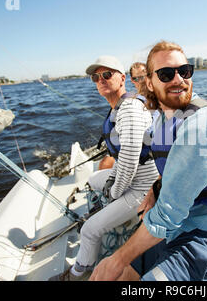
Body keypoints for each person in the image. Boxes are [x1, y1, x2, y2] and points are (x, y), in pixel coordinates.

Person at [89, 41, 207, 281]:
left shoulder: (202, 126)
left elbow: (168, 214)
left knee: (121, 269)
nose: (178, 79)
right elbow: (169, 169)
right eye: (166, 74)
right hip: (173, 231)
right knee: (122, 276)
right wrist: (154, 189)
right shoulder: (165, 119)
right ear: (150, 82)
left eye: (184, 71)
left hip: (203, 239)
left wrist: (117, 259)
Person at [49, 55, 159, 280]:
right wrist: (110, 184)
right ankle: (106, 214)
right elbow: (123, 162)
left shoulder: (128, 109)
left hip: (143, 187)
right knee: (93, 180)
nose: (101, 80)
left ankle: (80, 271)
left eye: (107, 74)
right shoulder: (117, 108)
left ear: (122, 79)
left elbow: (128, 161)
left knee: (90, 229)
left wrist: (114, 193)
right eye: (95, 77)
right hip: (132, 178)